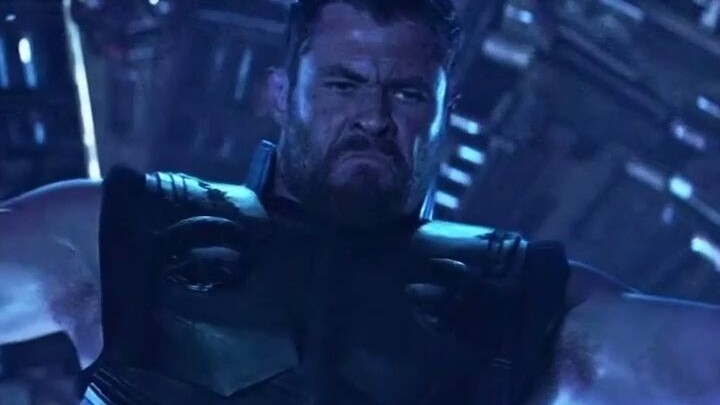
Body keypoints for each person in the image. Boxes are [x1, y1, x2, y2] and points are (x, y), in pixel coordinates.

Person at [0, 1, 719, 404]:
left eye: (406, 93)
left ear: (443, 114)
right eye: (343, 85)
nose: (372, 118)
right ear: (283, 94)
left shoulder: (529, 304)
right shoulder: (121, 237)